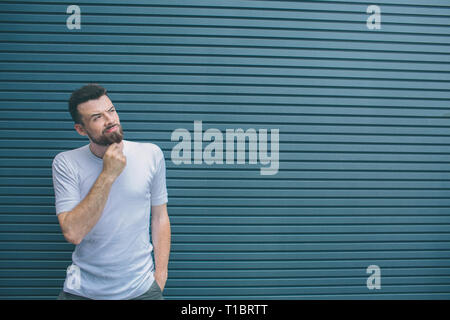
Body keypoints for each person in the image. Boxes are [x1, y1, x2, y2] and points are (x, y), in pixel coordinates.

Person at [52, 83, 171, 300]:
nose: (110, 120)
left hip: (142, 290)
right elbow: (73, 233)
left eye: (111, 110)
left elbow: (160, 218)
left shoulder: (151, 154)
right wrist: (107, 174)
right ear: (80, 129)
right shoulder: (66, 163)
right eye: (97, 117)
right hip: (83, 292)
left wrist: (160, 276)